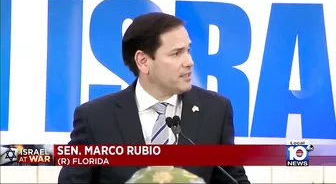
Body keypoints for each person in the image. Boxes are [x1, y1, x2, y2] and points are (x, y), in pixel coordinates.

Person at [58, 12, 250, 184]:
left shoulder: (215, 110)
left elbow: (233, 178)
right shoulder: (95, 118)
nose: (189, 62)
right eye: (176, 53)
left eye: (188, 51)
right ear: (143, 61)